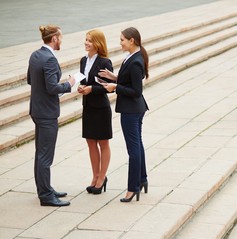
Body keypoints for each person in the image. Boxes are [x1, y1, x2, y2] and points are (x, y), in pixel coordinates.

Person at [27, 25, 76, 207]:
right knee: (45, 156)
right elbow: (52, 88)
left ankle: (44, 189)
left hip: (37, 110)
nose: (61, 40)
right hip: (47, 113)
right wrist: (69, 83)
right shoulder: (49, 59)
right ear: (54, 38)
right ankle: (46, 196)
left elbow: (31, 80)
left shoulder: (35, 55)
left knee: (41, 153)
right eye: (60, 37)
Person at [99, 27, 149, 203]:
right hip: (135, 108)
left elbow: (136, 91)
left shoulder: (135, 61)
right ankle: (142, 179)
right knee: (138, 145)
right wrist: (114, 77)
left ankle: (132, 188)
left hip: (131, 110)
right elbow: (129, 80)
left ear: (132, 41)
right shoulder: (133, 56)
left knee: (133, 149)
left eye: (122, 40)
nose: (120, 43)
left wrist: (115, 88)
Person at [77, 29, 113, 195]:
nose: (86, 43)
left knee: (103, 143)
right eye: (86, 39)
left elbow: (107, 88)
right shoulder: (83, 61)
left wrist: (92, 88)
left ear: (97, 43)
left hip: (101, 108)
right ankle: (95, 176)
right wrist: (81, 87)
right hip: (88, 107)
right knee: (90, 142)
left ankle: (102, 177)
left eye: (90, 40)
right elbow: (83, 80)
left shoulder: (105, 62)